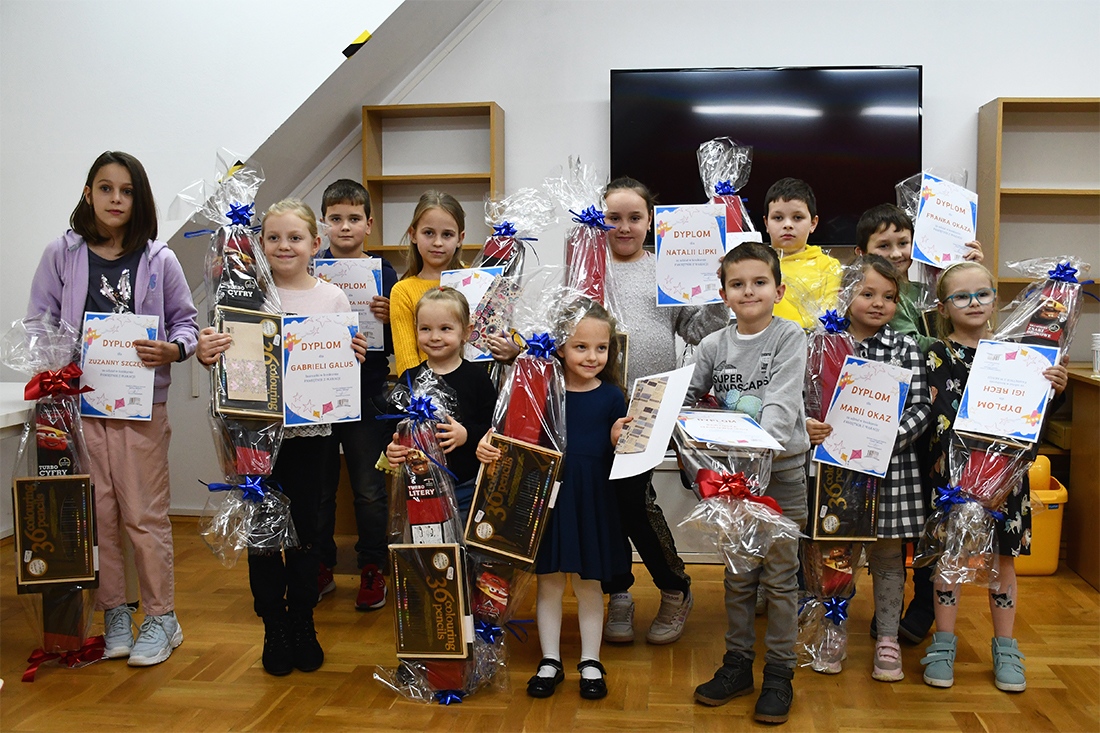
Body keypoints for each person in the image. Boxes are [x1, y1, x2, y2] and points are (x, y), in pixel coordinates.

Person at [27, 151, 198, 666]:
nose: (116, 199)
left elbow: (186, 325)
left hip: (142, 407)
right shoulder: (62, 254)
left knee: (143, 515)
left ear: (139, 199)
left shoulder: (160, 259)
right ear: (88, 194)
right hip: (81, 408)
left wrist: (172, 350)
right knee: (98, 514)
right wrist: (56, 361)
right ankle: (115, 613)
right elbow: (37, 322)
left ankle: (162, 618)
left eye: (126, 191)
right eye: (105, 188)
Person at [197, 199, 368, 676]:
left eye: (295, 237)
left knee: (310, 530)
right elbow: (224, 362)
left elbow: (343, 366)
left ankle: (303, 620)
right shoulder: (242, 296)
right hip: (254, 434)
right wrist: (208, 351)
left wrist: (352, 354)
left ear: (316, 243)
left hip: (312, 435)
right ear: (259, 244)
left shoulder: (332, 298)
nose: (284, 246)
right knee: (264, 532)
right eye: (273, 237)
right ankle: (273, 624)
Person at [918, 262, 1067, 692]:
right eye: (961, 296)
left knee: (1003, 562)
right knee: (951, 560)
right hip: (955, 481)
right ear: (943, 307)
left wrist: (1053, 390)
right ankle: (943, 644)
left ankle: (1005, 647)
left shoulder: (1020, 354)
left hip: (1007, 481)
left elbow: (1031, 417)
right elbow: (934, 415)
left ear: (996, 299)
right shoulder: (936, 354)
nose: (974, 303)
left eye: (982, 294)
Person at [478, 299, 631, 700]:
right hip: (547, 502)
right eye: (581, 347)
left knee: (589, 584)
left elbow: (621, 455)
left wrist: (619, 440)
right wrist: (487, 443)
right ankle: (550, 660)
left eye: (601, 348)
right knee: (548, 583)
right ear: (560, 348)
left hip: (592, 502)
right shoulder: (540, 391)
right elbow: (512, 437)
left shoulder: (613, 397)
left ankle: (591, 661)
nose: (592, 356)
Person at [600, 176, 729, 645]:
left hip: (649, 403)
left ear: (651, 221)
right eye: (613, 217)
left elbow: (698, 330)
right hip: (594, 402)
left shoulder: (667, 268)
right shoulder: (586, 269)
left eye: (635, 217)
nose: (624, 226)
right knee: (602, 502)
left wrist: (714, 291)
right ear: (597, 220)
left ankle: (675, 588)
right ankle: (617, 592)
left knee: (634, 502)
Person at [685, 242, 809, 724]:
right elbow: (687, 398)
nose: (749, 291)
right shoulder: (712, 345)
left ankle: (779, 673)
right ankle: (737, 665)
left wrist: (757, 454)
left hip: (782, 476)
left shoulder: (789, 335)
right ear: (724, 294)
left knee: (780, 579)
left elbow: (780, 406)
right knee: (737, 576)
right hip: (732, 481)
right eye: (737, 284)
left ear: (779, 290)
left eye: (760, 282)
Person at [853, 203, 983, 643]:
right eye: (883, 246)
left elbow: (967, 331)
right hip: (887, 434)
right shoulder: (866, 303)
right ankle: (882, 611)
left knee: (927, 520)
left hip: (928, 429)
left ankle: (922, 604)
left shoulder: (931, 290)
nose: (896, 253)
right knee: (886, 532)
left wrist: (962, 269)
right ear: (862, 254)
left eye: (903, 243)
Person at [805, 255, 931, 682]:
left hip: (892, 470)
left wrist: (885, 440)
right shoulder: (822, 342)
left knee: (889, 557)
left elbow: (921, 407)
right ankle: (833, 632)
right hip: (837, 471)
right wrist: (810, 424)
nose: (879, 303)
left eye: (889, 297)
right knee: (837, 557)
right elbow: (806, 398)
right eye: (868, 293)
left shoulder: (905, 346)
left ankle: (888, 638)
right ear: (846, 295)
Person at [312, 179, 398, 611]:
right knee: (320, 487)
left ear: (369, 223)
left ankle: (372, 566)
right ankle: (321, 564)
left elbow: (398, 343)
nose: (344, 227)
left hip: (368, 392)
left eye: (353, 218)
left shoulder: (385, 273)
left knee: (368, 487)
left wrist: (390, 318)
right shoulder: (309, 268)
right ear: (323, 223)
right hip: (318, 392)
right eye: (335, 218)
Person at [384, 286, 497, 521]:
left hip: (466, 485)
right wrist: (391, 448)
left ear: (466, 332)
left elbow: (493, 428)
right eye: (425, 329)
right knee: (427, 539)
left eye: (445, 328)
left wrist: (466, 435)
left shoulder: (477, 378)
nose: (434, 337)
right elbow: (390, 428)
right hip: (419, 487)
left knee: (463, 540)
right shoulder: (409, 378)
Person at [390, 191, 465, 374]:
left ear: (460, 239)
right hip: (425, 391)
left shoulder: (477, 280)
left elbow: (499, 337)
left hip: (476, 387)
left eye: (447, 234)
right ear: (413, 234)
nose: (437, 242)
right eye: (429, 233)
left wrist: (510, 349)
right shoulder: (403, 291)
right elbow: (407, 365)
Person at [763, 178, 843, 329]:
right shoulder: (755, 264)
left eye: (797, 218)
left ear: (813, 223)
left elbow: (827, 317)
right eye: (778, 218)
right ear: (766, 223)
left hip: (808, 340)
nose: (788, 225)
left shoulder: (828, 266)